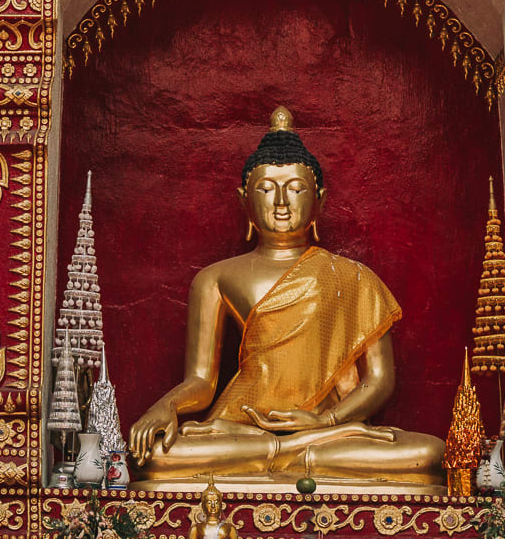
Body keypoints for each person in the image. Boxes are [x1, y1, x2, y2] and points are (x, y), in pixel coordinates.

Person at [129, 108, 443, 484]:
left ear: (320, 201)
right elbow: (201, 381)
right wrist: (166, 406)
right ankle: (286, 452)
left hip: (325, 431)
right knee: (158, 457)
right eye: (265, 189)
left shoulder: (355, 277)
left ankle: (282, 453)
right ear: (244, 199)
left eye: (296, 189)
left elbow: (378, 381)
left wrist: (323, 421)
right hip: (243, 426)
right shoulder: (216, 278)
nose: (280, 201)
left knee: (428, 454)